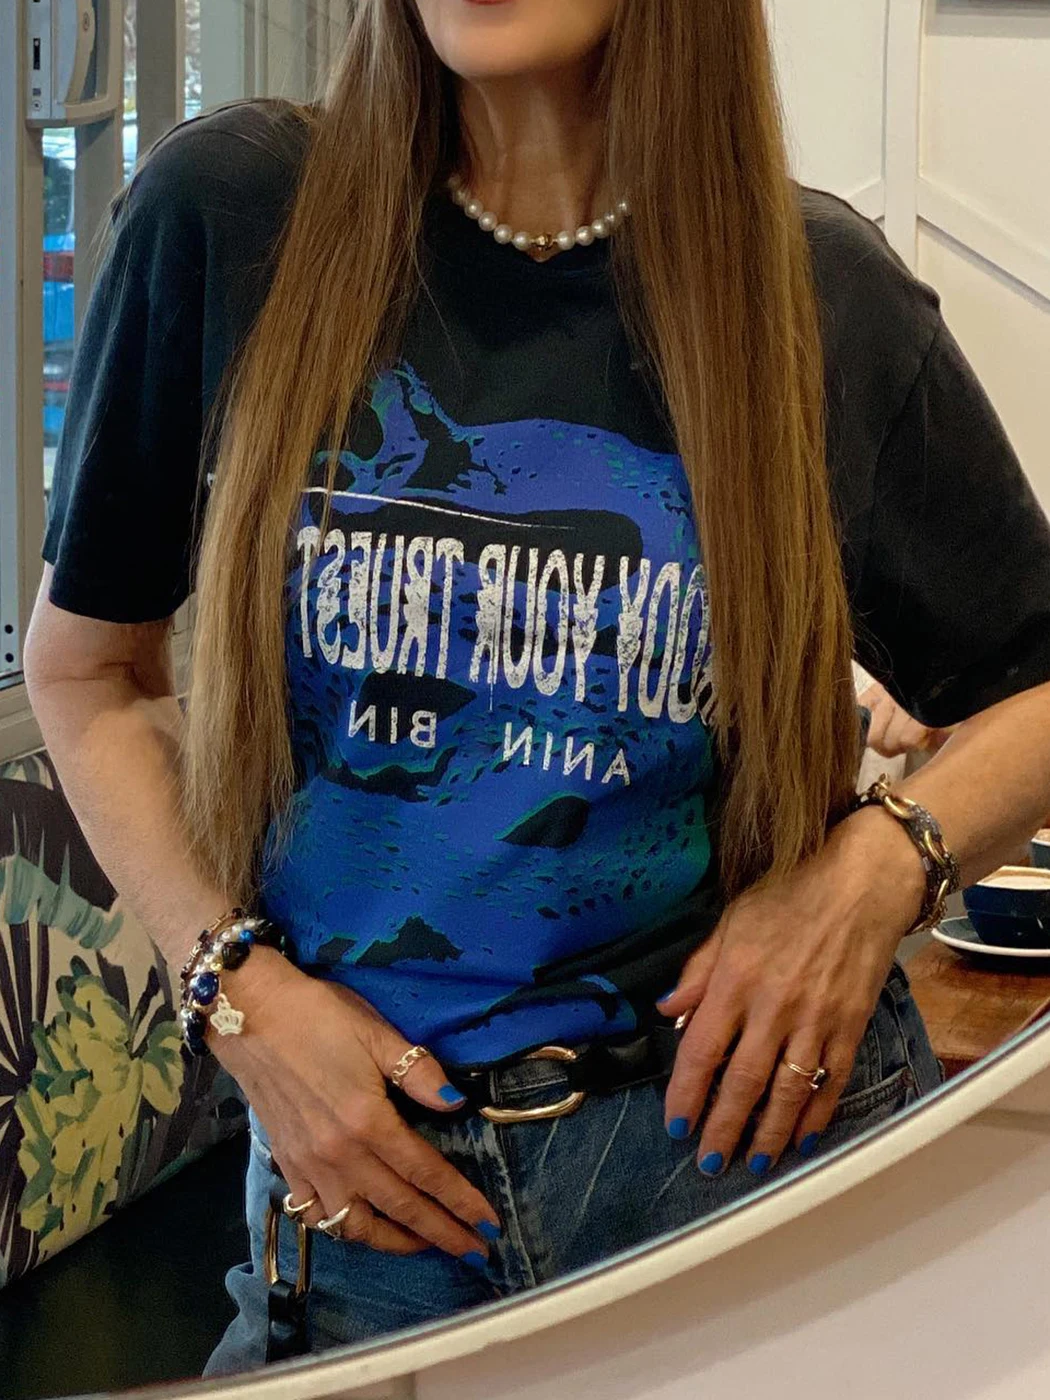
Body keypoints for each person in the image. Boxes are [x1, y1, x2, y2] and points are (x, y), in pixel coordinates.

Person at [24, 0, 1050, 1372]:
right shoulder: (233, 215)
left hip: (739, 1163)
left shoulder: (817, 294)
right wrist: (235, 993)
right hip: (367, 1195)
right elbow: (87, 669)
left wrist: (869, 877)